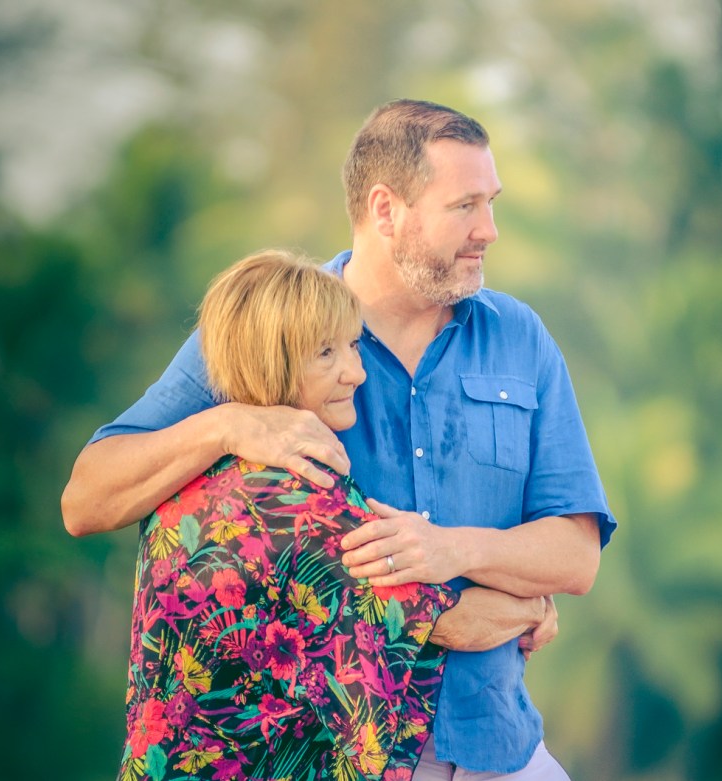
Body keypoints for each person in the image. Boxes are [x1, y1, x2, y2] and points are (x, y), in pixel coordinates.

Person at [64, 99, 616, 779]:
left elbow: (576, 556)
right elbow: (87, 497)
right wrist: (229, 422)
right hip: (339, 753)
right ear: (386, 210)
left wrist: (451, 549)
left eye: (491, 203)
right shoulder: (272, 322)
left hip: (495, 741)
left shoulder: (519, 335)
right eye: (464, 206)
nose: (489, 231)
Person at [119, 250, 546, 781]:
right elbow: (452, 623)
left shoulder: (179, 483)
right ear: (270, 362)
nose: (357, 372)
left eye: (351, 345)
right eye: (326, 353)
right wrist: (533, 607)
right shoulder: (308, 509)